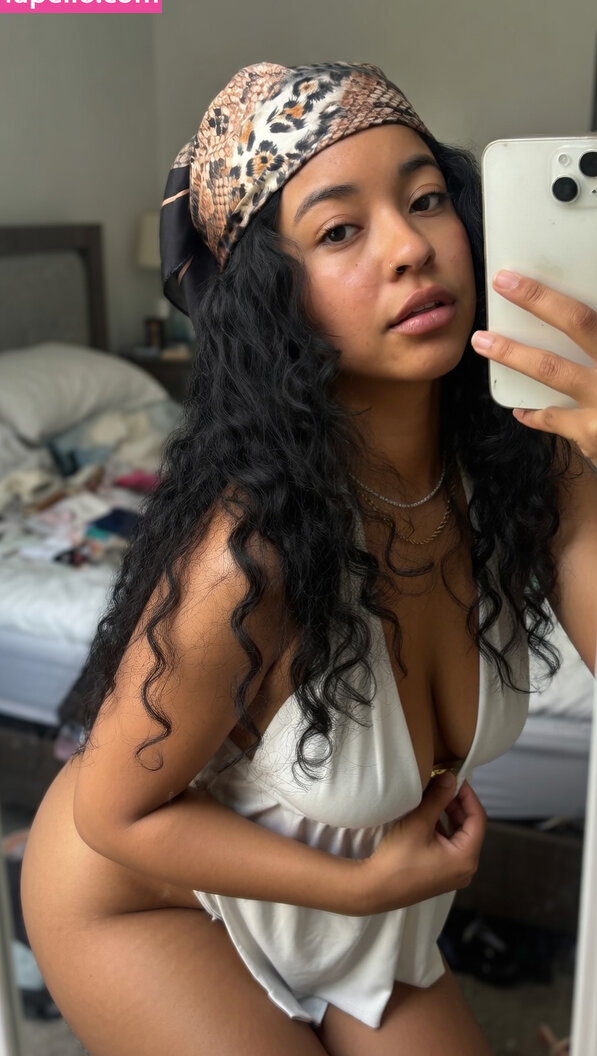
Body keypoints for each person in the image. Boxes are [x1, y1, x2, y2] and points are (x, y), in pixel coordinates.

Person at [21, 62, 597, 1056]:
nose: (411, 247)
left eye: (426, 198)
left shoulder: (527, 463)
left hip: (366, 917)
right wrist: (360, 883)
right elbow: (116, 815)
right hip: (151, 899)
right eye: (339, 230)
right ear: (270, 299)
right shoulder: (247, 559)